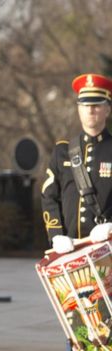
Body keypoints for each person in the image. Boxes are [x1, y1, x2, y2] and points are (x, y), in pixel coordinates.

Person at [42, 74, 112, 253]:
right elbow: (49, 196)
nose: (90, 110)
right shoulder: (62, 152)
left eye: (96, 105)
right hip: (69, 251)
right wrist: (56, 234)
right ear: (78, 109)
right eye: (85, 105)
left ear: (108, 110)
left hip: (107, 250)